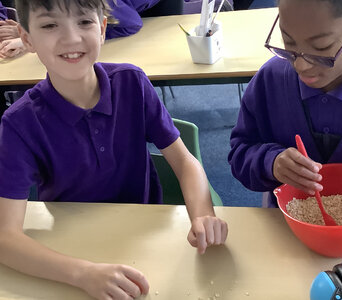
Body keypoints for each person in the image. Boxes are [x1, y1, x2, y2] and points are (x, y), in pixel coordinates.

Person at [0, 0, 228, 299]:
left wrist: (202, 214)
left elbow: (185, 162)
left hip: (146, 239)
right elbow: (5, 237)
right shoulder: (19, 124)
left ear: (103, 28)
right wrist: (82, 273)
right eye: (49, 25)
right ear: (26, 38)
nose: (71, 38)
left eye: (84, 22)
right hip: (72, 251)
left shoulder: (132, 82)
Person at [228, 0, 342, 240]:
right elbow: (240, 154)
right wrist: (272, 162)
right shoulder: (271, 81)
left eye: (322, 47)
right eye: (288, 42)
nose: (301, 65)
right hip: (289, 239)